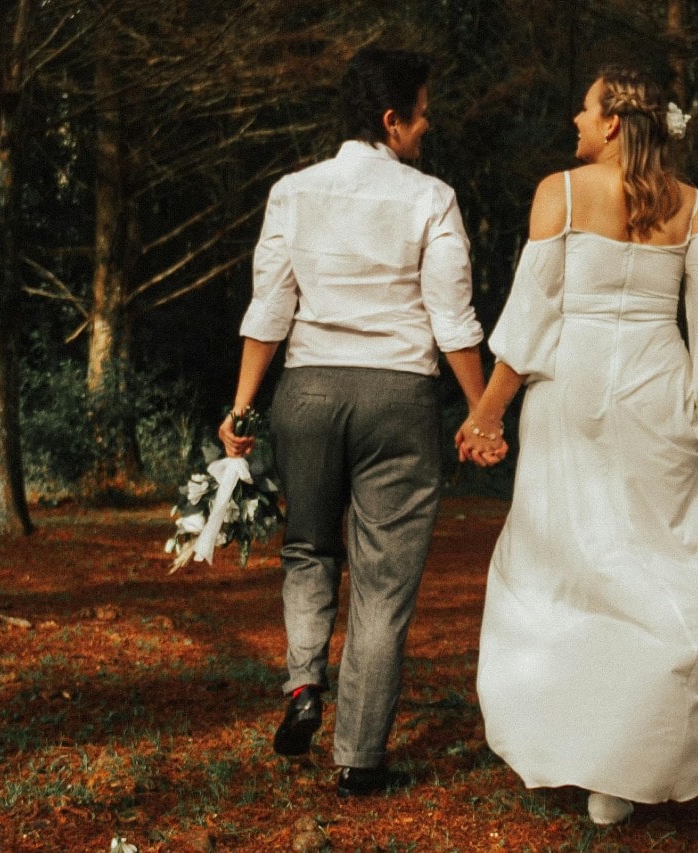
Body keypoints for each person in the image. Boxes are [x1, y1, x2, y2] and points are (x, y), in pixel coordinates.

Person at [457, 67, 698, 825]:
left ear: (615, 123)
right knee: (651, 567)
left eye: (586, 108)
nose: (575, 117)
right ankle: (620, 766)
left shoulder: (560, 190)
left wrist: (487, 414)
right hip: (658, 395)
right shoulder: (692, 206)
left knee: (567, 564)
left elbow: (531, 317)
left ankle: (576, 742)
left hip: (572, 394)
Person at [220, 47, 495, 798]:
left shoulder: (292, 192)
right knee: (381, 584)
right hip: (399, 399)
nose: (428, 124)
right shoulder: (431, 199)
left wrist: (242, 406)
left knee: (308, 547)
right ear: (391, 119)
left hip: (306, 393)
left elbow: (270, 308)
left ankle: (305, 683)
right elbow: (452, 319)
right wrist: (481, 409)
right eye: (423, 110)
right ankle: (360, 758)